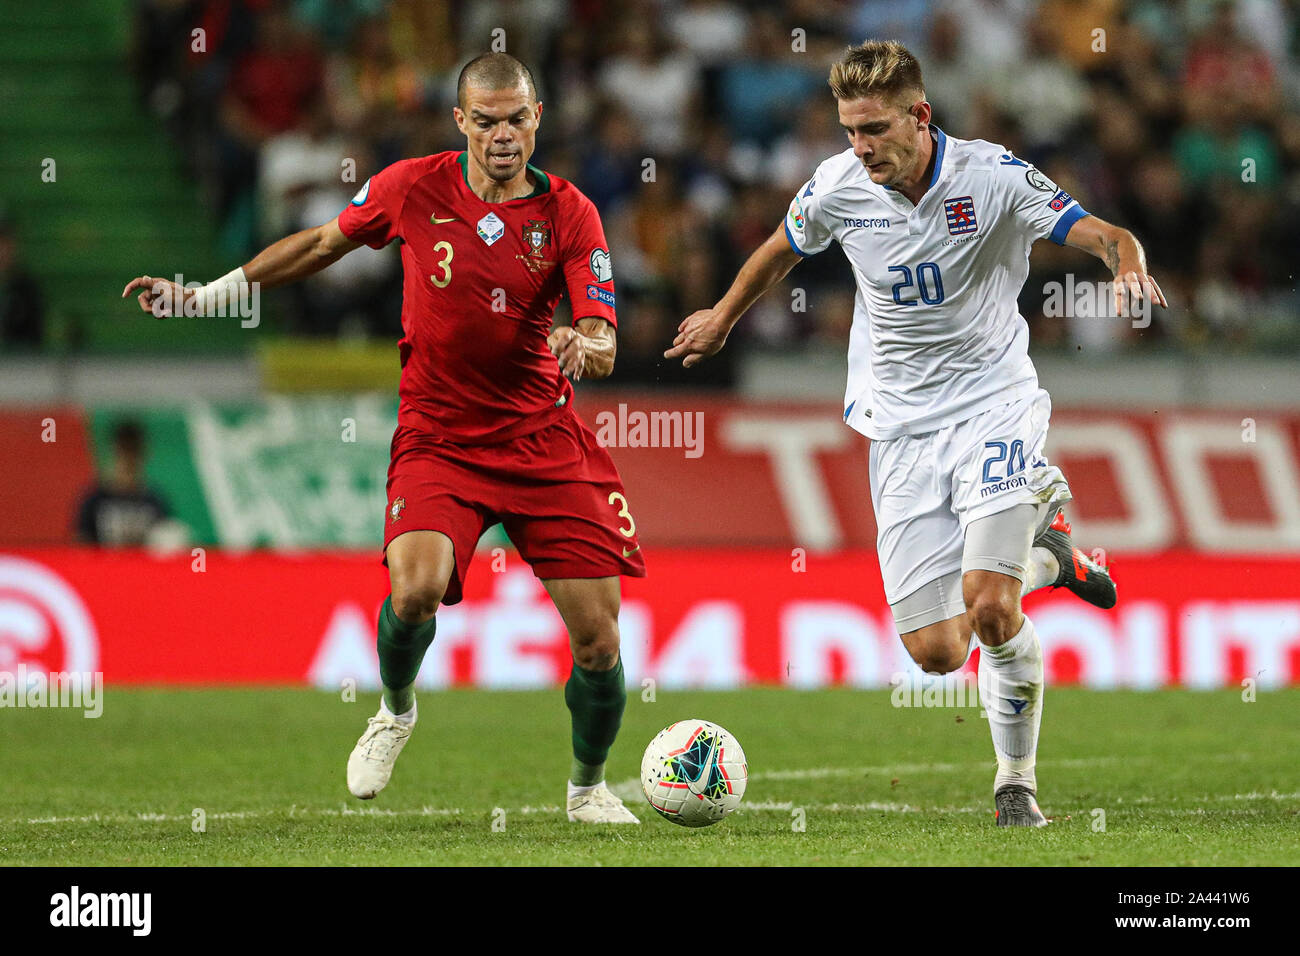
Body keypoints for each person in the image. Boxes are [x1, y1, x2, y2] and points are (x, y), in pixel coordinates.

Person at [123, 52, 646, 823]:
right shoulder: (410, 187)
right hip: (440, 436)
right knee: (416, 588)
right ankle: (396, 708)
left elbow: (601, 331)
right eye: (488, 120)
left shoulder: (571, 213)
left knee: (600, 643)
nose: (503, 135)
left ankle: (588, 787)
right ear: (461, 120)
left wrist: (587, 345)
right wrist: (207, 296)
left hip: (543, 441)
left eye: (517, 119)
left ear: (538, 119)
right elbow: (321, 244)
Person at [667, 39, 1166, 827]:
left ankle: (1015, 786)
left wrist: (1126, 264)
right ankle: (1052, 556)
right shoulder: (838, 185)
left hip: (993, 407)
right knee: (936, 653)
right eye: (850, 132)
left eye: (875, 130)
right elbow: (779, 249)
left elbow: (1100, 231)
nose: (861, 148)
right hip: (899, 428)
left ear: (920, 116)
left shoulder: (992, 176)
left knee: (992, 609)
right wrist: (723, 318)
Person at [75, 420, 171, 547]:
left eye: (134, 450)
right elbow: (81, 544)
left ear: (143, 454)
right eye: (124, 449)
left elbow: (167, 540)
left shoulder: (153, 500)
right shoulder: (95, 499)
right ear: (115, 451)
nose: (129, 457)